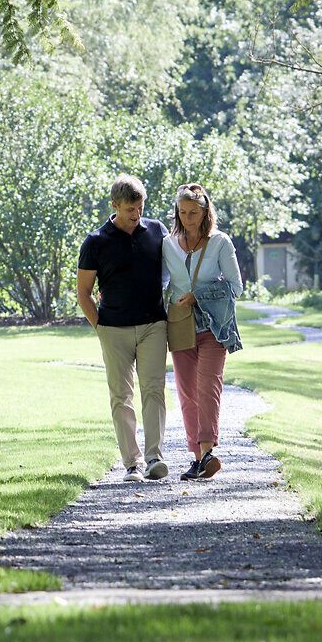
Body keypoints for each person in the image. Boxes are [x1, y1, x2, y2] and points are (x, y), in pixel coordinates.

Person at [76, 174, 171, 480]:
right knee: (121, 395)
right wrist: (100, 326)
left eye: (140, 207)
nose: (136, 214)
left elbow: (174, 269)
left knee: (154, 389)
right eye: (130, 208)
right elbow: (83, 293)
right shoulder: (95, 242)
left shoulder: (157, 231)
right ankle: (133, 463)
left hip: (153, 325)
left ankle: (155, 457)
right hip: (113, 328)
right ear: (115, 205)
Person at [163, 183, 243, 480]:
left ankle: (208, 451)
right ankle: (198, 459)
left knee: (207, 386)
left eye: (193, 213)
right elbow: (160, 282)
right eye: (182, 213)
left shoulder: (220, 242)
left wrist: (199, 295)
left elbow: (236, 287)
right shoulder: (168, 244)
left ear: (205, 211)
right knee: (186, 391)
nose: (187, 218)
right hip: (180, 324)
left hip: (213, 325)